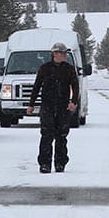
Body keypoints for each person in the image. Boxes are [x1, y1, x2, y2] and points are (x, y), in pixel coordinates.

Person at [27, 42, 79, 173]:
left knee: (61, 136)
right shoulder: (45, 68)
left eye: (66, 53)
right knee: (46, 135)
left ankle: (60, 163)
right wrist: (31, 104)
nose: (65, 55)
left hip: (63, 106)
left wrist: (73, 102)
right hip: (47, 106)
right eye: (62, 53)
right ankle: (45, 163)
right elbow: (37, 86)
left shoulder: (69, 69)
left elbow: (75, 86)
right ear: (55, 54)